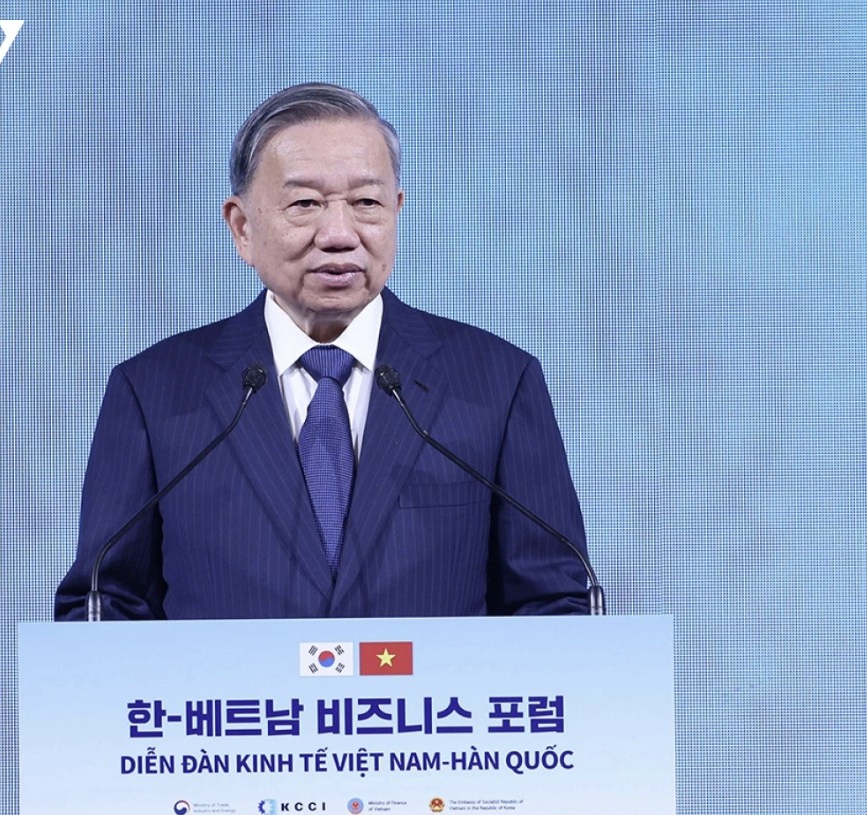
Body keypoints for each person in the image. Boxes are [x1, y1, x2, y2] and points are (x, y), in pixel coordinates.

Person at [55, 82, 591, 620]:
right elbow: (104, 602)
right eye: (305, 204)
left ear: (396, 211)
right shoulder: (153, 392)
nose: (339, 234)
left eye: (366, 203)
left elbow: (556, 604)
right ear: (242, 228)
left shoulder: (498, 382)